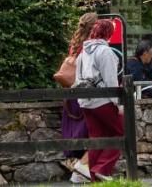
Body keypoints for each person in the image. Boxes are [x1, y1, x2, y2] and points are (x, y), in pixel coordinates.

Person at [75, 19, 125, 182]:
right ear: (108, 33)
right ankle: (102, 169)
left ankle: (94, 177)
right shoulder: (105, 51)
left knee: (96, 137)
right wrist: (118, 103)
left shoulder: (83, 52)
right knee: (121, 132)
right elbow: (111, 81)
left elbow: (78, 79)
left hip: (85, 101)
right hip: (102, 100)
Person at [56, 12, 97, 182]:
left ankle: (81, 169)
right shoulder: (90, 46)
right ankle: (81, 169)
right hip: (84, 94)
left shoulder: (75, 44)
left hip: (71, 95)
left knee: (78, 133)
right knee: (94, 133)